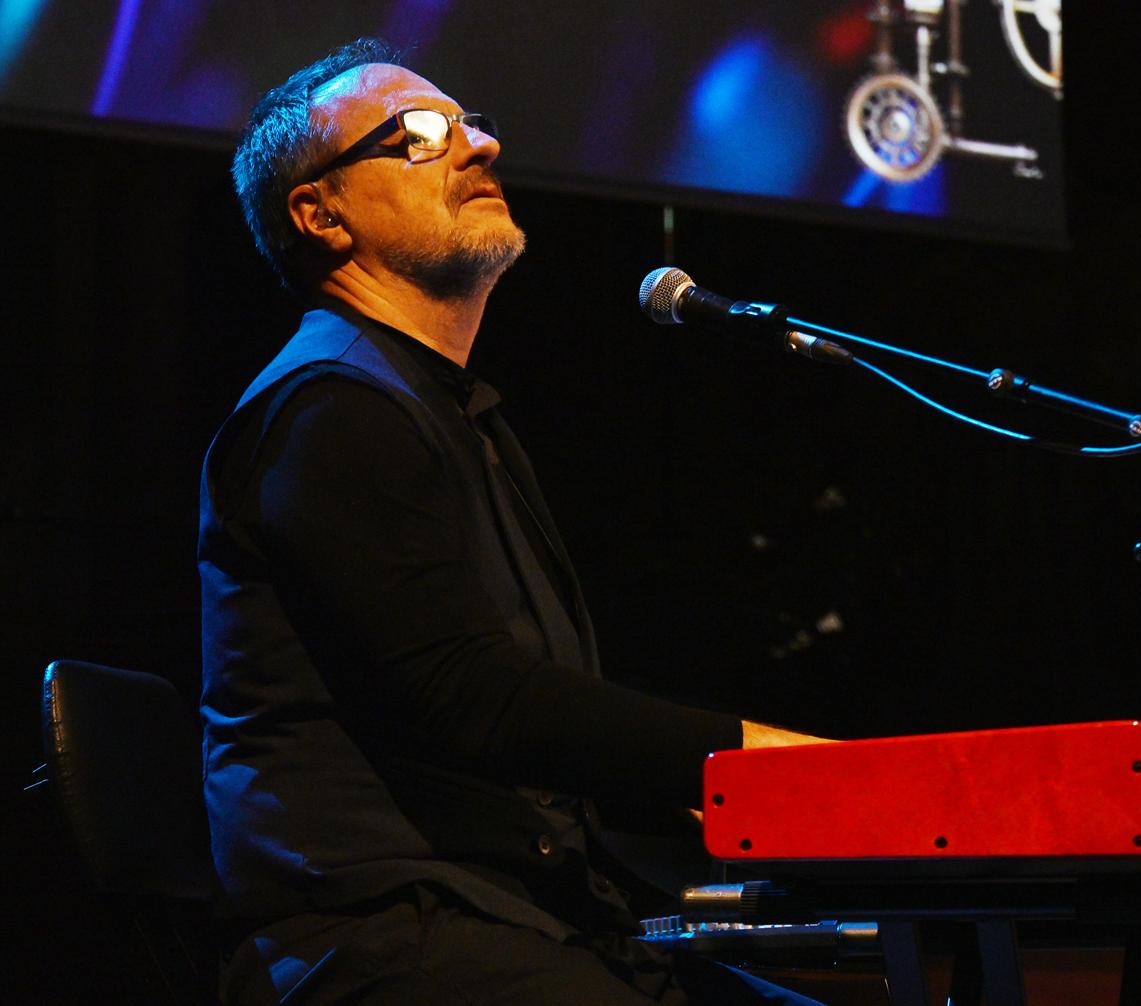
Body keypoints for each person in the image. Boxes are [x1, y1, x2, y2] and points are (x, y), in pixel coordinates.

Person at [200, 38, 828, 1005]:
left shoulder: (444, 411)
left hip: (510, 915)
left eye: (473, 124)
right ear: (320, 214)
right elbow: (475, 698)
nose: (480, 147)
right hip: (386, 938)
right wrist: (763, 763)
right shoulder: (329, 409)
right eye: (417, 132)